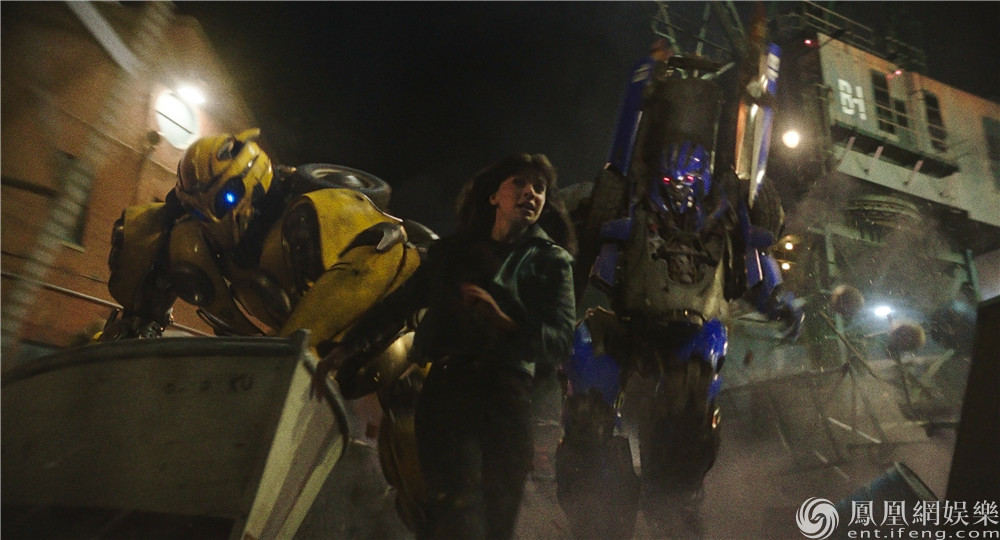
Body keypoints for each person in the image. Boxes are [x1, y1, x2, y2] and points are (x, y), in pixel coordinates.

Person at [313, 153, 577, 539]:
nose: (531, 193)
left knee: (497, 522)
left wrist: (503, 321)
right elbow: (400, 304)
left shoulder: (552, 263)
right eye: (519, 182)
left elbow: (561, 340)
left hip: (508, 398)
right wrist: (346, 348)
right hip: (450, 393)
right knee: (458, 509)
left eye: (539, 188)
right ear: (494, 196)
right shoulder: (453, 256)